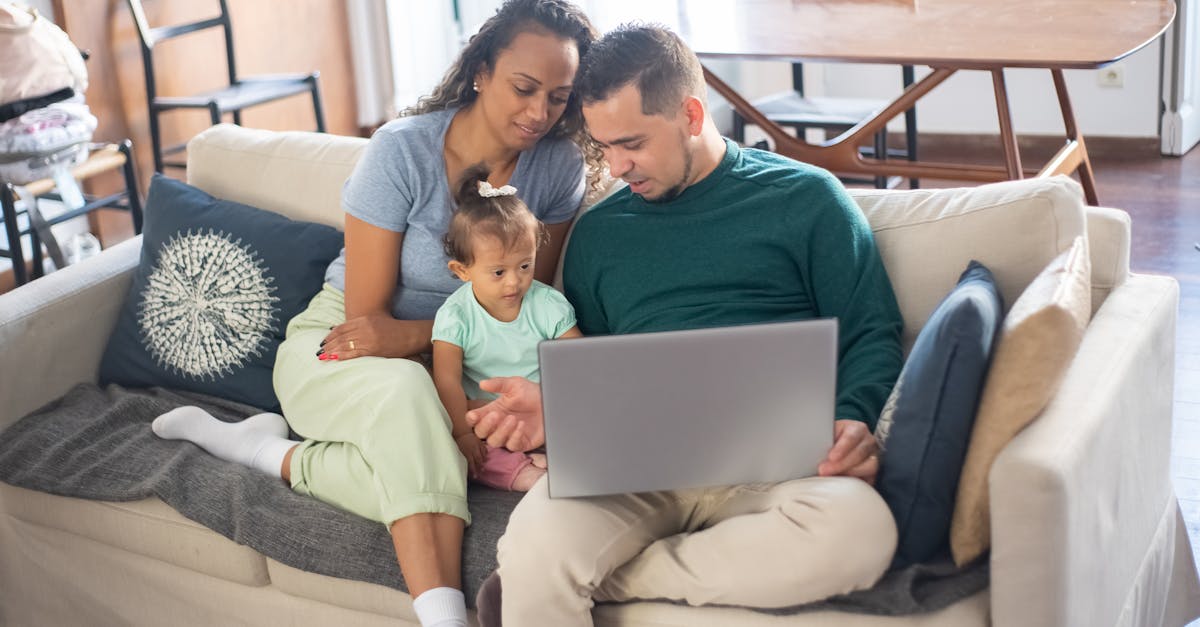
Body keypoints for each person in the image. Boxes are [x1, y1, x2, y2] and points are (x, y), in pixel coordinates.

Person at [150, 2, 599, 626]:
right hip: (338, 346)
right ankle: (442, 616)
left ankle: (263, 453)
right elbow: (367, 328)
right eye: (524, 88)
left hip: (455, 358)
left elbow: (519, 309)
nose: (538, 114)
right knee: (415, 407)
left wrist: (428, 340)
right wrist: (424, 344)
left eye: (558, 97)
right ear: (479, 71)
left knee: (433, 450)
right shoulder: (401, 154)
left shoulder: (557, 166)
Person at [465, 25, 905, 625]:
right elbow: (595, 363)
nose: (617, 168)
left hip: (779, 467)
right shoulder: (600, 234)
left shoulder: (807, 200)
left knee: (861, 531)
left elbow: (871, 330)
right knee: (537, 539)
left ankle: (614, 582)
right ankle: (544, 573)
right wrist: (556, 409)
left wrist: (854, 417)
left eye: (632, 144)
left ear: (691, 114)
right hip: (638, 465)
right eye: (603, 149)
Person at [432, 164, 582, 492]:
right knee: (472, 449)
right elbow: (446, 380)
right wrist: (462, 433)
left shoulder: (548, 304)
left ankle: (551, 457)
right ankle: (526, 473)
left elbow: (578, 362)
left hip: (543, 412)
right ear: (462, 270)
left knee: (584, 425)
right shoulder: (455, 316)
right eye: (498, 272)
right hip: (490, 417)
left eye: (525, 265)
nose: (515, 281)